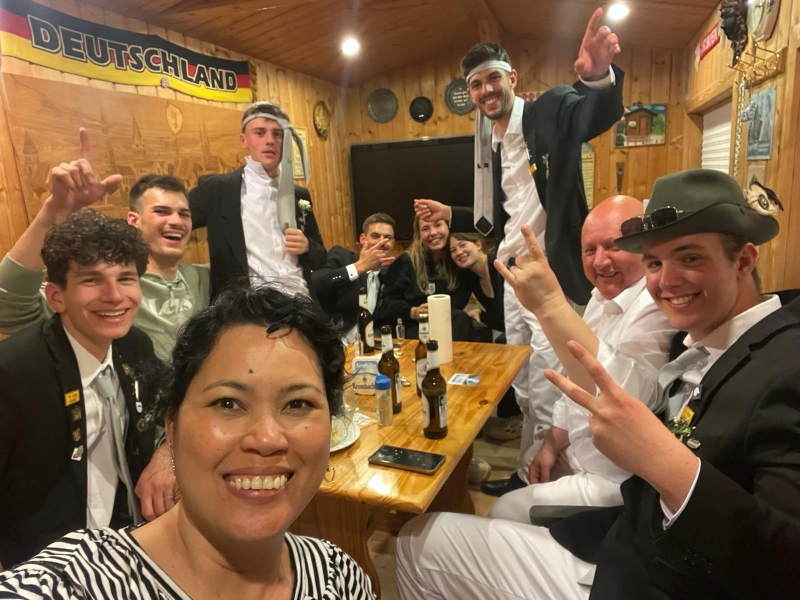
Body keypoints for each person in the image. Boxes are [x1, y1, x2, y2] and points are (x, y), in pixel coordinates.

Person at [395, 169, 800, 600]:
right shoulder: (698, 340)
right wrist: (557, 440)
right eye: (654, 263)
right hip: (623, 539)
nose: (666, 282)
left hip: (648, 578)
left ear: (744, 261)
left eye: (690, 258)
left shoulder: (786, 365)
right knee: (466, 522)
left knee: (419, 540)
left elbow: (783, 561)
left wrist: (661, 459)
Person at [0, 284, 376, 599]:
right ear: (172, 427)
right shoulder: (77, 584)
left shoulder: (339, 577)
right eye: (227, 403)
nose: (266, 438)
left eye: (297, 404)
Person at [414, 8, 625, 488]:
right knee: (526, 384)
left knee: (552, 384)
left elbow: (592, 114)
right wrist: (451, 214)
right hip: (512, 274)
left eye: (492, 79)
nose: (485, 90)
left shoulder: (548, 110)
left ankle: (551, 483)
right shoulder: (489, 144)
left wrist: (596, 79)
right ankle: (528, 471)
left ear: (511, 78)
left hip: (551, 276)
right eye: (475, 85)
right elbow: (502, 213)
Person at [485, 196, 675, 515]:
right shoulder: (600, 297)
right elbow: (575, 383)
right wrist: (551, 445)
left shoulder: (654, 302)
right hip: (578, 452)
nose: (600, 262)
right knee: (525, 474)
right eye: (589, 250)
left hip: (614, 478)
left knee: (502, 511)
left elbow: (631, 397)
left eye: (613, 245)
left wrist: (550, 306)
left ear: (644, 245)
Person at [0, 208, 160, 569]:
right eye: (92, 280)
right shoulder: (13, 371)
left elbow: (177, 399)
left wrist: (166, 460)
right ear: (56, 296)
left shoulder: (135, 345)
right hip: (46, 566)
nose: (114, 295)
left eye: (126, 278)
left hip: (132, 546)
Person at [0, 130, 210, 362]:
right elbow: (6, 309)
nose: (176, 221)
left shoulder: (205, 277)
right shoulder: (106, 287)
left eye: (184, 214)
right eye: (162, 211)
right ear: (134, 220)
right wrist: (54, 213)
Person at [188, 101, 326, 300]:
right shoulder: (217, 190)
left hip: (302, 303)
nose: (270, 140)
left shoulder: (300, 195)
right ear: (244, 140)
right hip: (249, 308)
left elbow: (321, 258)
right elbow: (175, 221)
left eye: (277, 134)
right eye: (260, 133)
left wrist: (307, 247)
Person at [377, 216, 472, 340]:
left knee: (461, 318)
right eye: (425, 229)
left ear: (448, 227)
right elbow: (387, 306)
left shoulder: (458, 260)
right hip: (413, 326)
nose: (433, 233)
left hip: (447, 322)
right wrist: (413, 312)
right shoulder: (406, 261)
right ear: (419, 234)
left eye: (438, 225)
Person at [312, 212, 396, 341]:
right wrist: (360, 266)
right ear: (363, 239)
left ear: (392, 243)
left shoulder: (386, 276)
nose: (382, 241)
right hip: (331, 342)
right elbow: (314, 283)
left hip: (364, 346)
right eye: (375, 236)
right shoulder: (341, 256)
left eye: (387, 238)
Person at [449, 232, 504, 333]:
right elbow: (453, 307)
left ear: (478, 245)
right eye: (453, 250)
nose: (459, 252)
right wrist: (480, 314)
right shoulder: (470, 278)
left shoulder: (500, 264)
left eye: (462, 245)